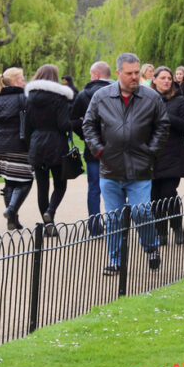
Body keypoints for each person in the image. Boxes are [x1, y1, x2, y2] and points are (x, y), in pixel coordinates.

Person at [82, 53, 170, 275]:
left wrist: (151, 151)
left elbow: (162, 125)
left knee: (142, 213)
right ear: (118, 73)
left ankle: (151, 248)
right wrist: (99, 150)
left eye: (137, 73)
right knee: (113, 218)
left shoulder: (151, 98)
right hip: (110, 168)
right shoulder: (101, 97)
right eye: (129, 73)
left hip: (140, 168)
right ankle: (116, 260)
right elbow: (88, 125)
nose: (134, 77)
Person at [25, 63, 73, 238]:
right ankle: (51, 211)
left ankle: (48, 225)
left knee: (42, 186)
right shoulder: (59, 98)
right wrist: (76, 123)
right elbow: (63, 124)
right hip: (56, 144)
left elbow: (27, 126)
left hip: (37, 144)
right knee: (60, 184)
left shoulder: (29, 98)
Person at [150, 66, 184, 246]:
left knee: (168, 193)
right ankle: (160, 232)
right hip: (153, 155)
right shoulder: (147, 99)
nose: (167, 81)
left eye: (169, 78)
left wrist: (167, 116)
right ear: (154, 80)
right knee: (155, 196)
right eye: (163, 78)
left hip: (173, 153)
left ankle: (177, 226)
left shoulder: (179, 100)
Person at [0, 67, 32, 230]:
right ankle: (11, 210)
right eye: (22, 79)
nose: (25, 82)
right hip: (17, 145)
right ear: (14, 81)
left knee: (9, 182)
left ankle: (12, 220)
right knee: (26, 180)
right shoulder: (23, 98)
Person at [71, 61, 113, 236]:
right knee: (118, 186)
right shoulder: (121, 92)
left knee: (94, 188)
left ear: (95, 75)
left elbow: (74, 122)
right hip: (116, 147)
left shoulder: (83, 95)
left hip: (93, 149)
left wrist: (86, 136)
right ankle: (117, 224)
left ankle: (95, 227)